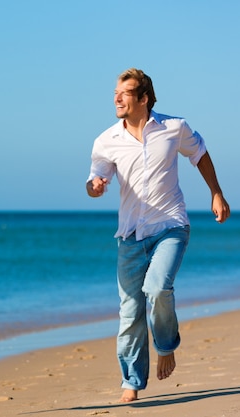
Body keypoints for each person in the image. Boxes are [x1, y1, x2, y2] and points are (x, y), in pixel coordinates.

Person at [86, 68, 230, 402]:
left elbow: (199, 154)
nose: (117, 98)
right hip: (130, 236)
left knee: (158, 287)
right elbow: (95, 179)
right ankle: (132, 380)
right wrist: (95, 187)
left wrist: (216, 193)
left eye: (125, 92)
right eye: (115, 93)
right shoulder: (107, 140)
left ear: (144, 97)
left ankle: (166, 345)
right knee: (129, 312)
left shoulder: (173, 128)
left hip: (171, 227)